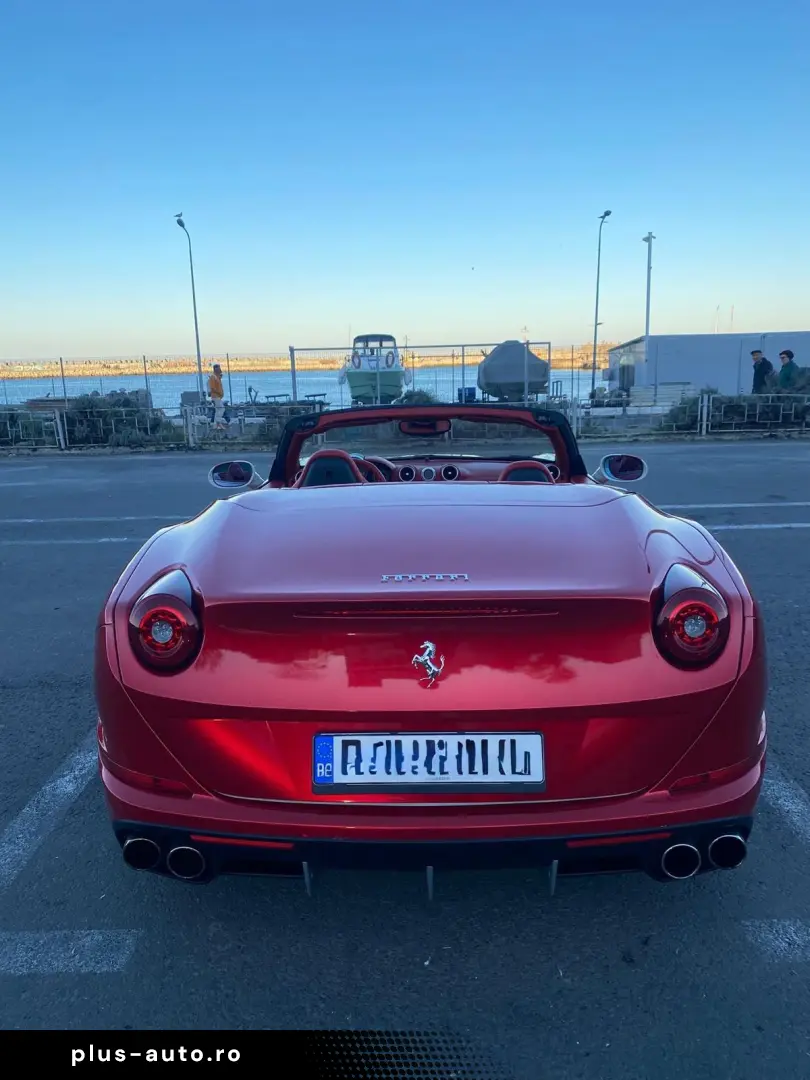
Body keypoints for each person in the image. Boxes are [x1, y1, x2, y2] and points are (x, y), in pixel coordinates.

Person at [207, 363, 226, 429]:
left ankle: (215, 425)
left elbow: (218, 382)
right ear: (215, 369)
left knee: (217, 410)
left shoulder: (217, 377)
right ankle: (218, 422)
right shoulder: (213, 377)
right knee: (222, 408)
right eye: (218, 368)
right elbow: (212, 388)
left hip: (218, 397)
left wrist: (220, 376)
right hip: (215, 396)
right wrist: (219, 393)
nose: (220, 369)